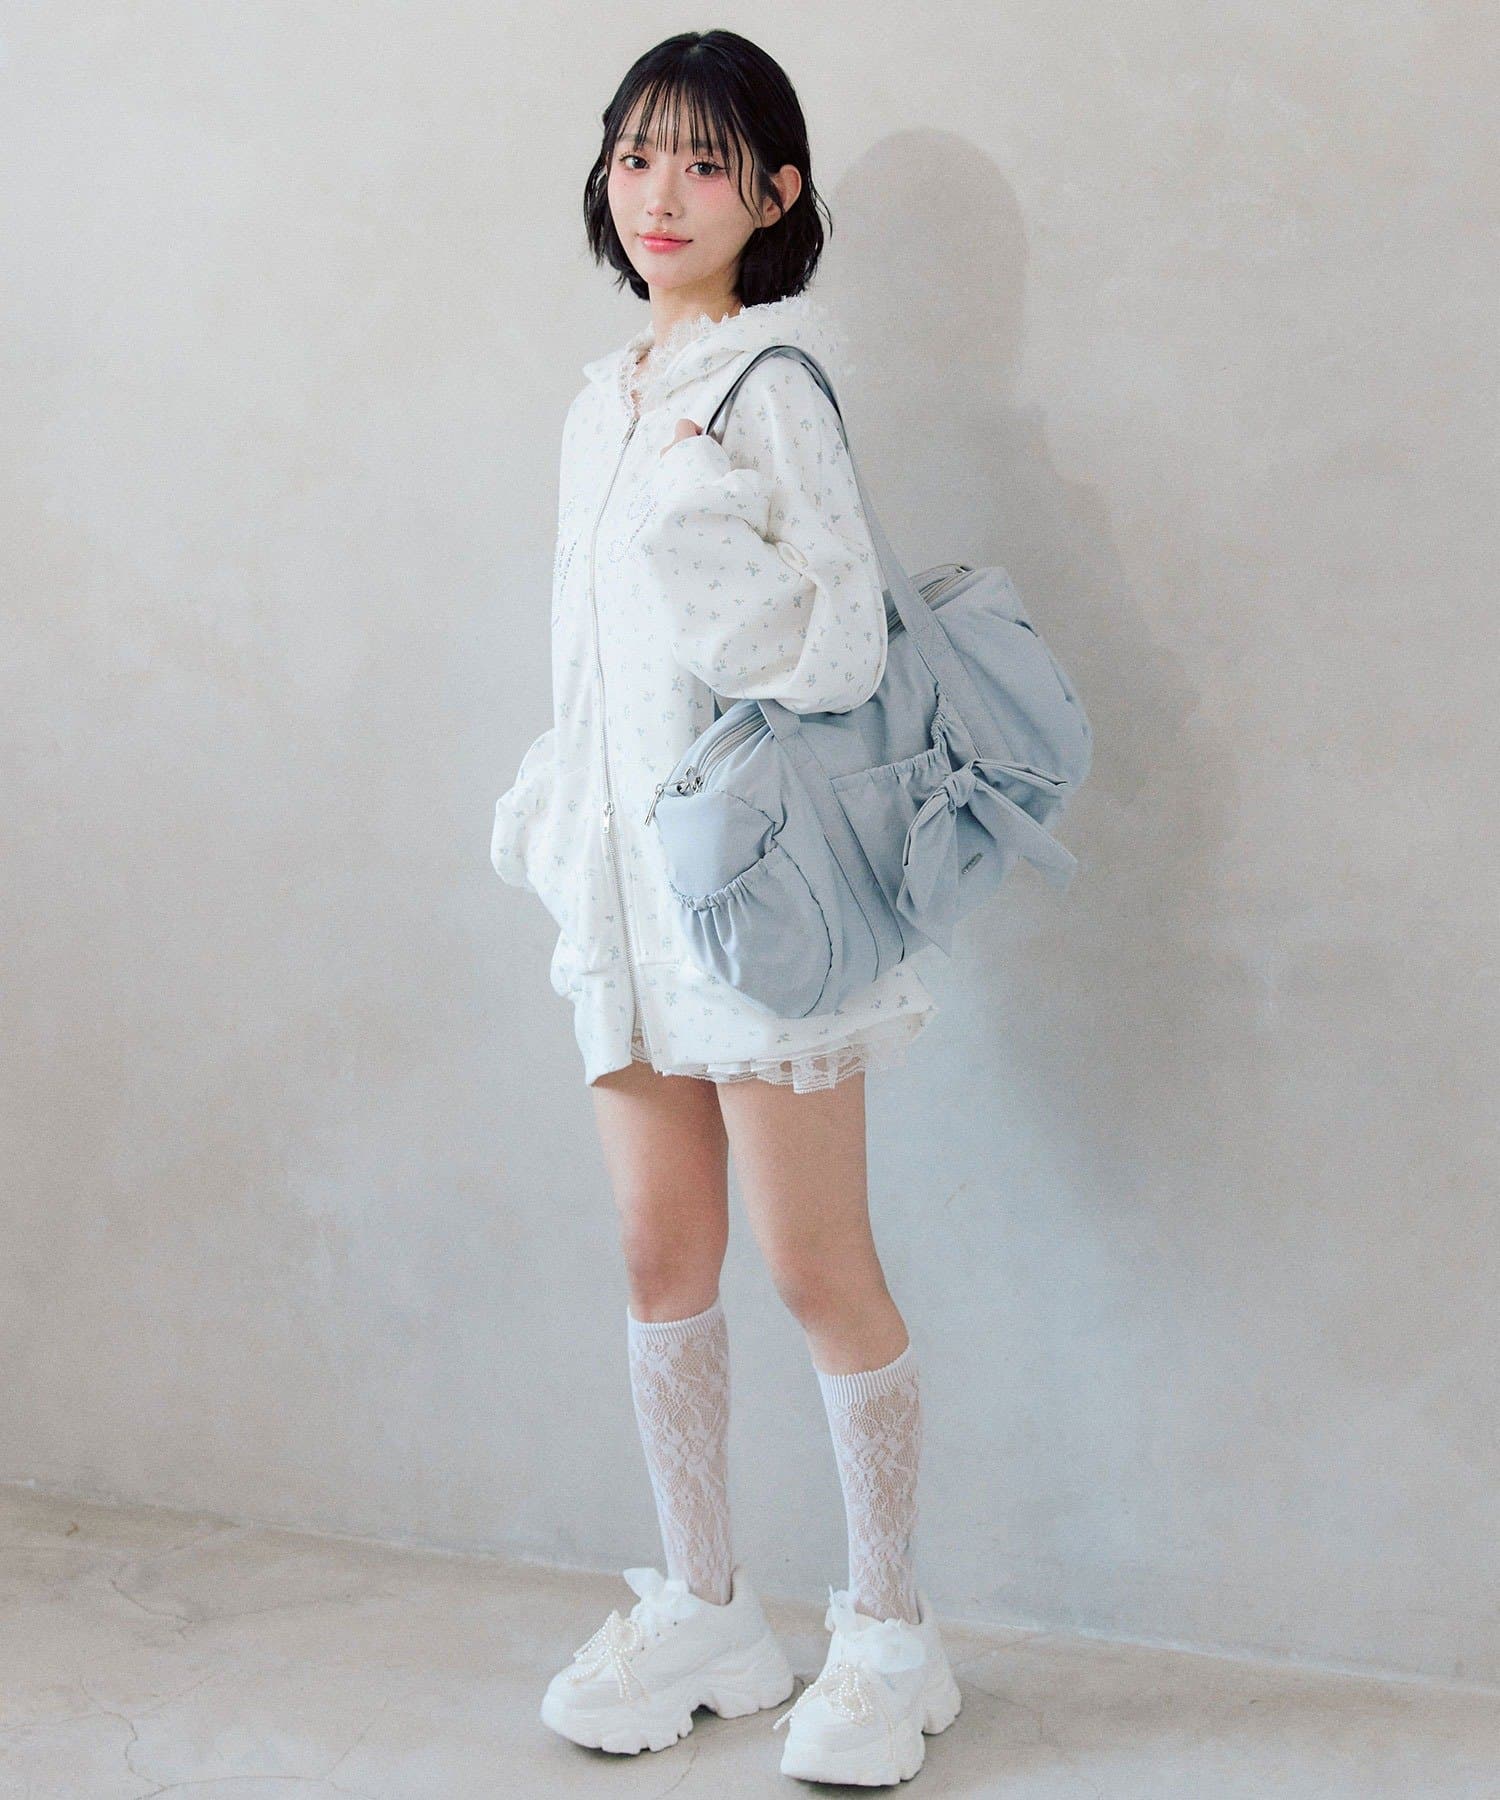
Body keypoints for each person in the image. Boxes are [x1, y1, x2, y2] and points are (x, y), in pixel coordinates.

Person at [491, 29, 962, 1785]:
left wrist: (702, 565)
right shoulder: (600, 398)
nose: (662, 194)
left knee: (811, 1263)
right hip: (621, 897)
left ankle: (891, 1634)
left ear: (776, 191)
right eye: (636, 156)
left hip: (754, 898)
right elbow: (585, 659)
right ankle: (707, 1609)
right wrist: (554, 811)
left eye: (703, 161)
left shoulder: (773, 387)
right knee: (655, 1253)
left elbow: (838, 650)